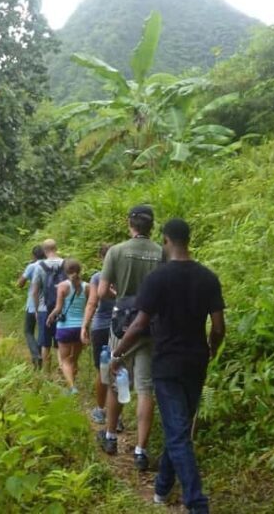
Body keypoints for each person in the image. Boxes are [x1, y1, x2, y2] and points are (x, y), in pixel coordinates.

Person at [110, 218, 225, 514]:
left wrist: (118, 353)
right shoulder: (208, 277)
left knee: (177, 432)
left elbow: (139, 323)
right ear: (188, 239)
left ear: (166, 240)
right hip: (196, 361)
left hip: (167, 364)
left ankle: (197, 503)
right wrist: (212, 347)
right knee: (180, 428)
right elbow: (219, 326)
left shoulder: (158, 279)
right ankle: (162, 488)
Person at [97, 205, 163, 471]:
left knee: (117, 380)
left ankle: (111, 436)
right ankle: (140, 451)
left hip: (123, 324)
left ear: (130, 224)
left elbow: (102, 292)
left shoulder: (116, 251)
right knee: (146, 388)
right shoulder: (162, 253)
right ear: (152, 226)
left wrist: (121, 297)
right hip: (152, 325)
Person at [81, 243, 115, 423]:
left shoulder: (97, 278)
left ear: (102, 258)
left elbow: (92, 303)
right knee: (118, 370)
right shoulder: (124, 276)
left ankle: (101, 410)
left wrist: (84, 325)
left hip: (101, 327)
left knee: (102, 370)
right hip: (122, 327)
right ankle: (116, 415)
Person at [47, 259, 89, 393]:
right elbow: (89, 306)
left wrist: (50, 317)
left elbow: (58, 308)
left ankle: (72, 387)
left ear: (65, 271)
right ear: (80, 270)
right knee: (74, 359)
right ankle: (73, 383)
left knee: (65, 360)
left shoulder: (63, 286)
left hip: (64, 327)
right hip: (80, 328)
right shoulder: (87, 287)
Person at [31, 239, 64, 372]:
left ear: (44, 251)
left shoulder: (40, 266)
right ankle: (63, 372)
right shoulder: (65, 264)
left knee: (45, 344)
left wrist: (36, 309)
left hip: (44, 309)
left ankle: (47, 374)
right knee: (60, 343)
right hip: (61, 309)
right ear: (56, 248)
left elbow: (34, 291)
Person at [17, 245, 46, 369]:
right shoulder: (48, 265)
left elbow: (20, 284)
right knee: (40, 332)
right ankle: (39, 358)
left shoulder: (32, 266)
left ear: (34, 255)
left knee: (28, 331)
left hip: (32, 305)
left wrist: (25, 270)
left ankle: (36, 355)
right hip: (46, 305)